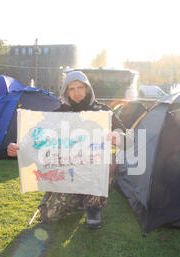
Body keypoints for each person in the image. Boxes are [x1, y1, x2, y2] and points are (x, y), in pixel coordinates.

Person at [7, 71, 127, 229]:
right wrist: (18, 148)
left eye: (80, 87)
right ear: (66, 91)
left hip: (93, 169)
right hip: (67, 173)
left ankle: (93, 206)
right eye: (71, 88)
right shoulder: (59, 114)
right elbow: (37, 140)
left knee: (109, 161)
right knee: (47, 216)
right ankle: (77, 199)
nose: (76, 92)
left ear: (87, 88)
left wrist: (118, 136)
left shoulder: (102, 112)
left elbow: (126, 138)